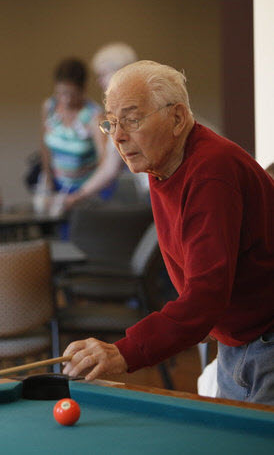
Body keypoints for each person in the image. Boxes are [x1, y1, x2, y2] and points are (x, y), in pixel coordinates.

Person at [62, 60, 274, 405]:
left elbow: (206, 294)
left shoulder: (211, 171)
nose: (118, 135)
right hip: (241, 338)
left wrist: (123, 352)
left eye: (131, 119)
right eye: (111, 122)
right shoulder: (161, 162)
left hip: (264, 339)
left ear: (176, 118)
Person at [65, 43, 149, 209]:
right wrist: (77, 196)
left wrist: (77, 196)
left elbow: (109, 168)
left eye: (102, 74)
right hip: (153, 193)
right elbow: (109, 168)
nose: (99, 81)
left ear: (121, 72)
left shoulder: (142, 106)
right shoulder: (120, 111)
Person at [41, 58, 106, 197]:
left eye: (72, 94)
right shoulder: (50, 107)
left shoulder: (93, 115)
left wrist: (84, 193)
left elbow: (104, 160)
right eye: (61, 93)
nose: (66, 99)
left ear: (83, 90)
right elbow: (45, 145)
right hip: (58, 184)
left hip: (87, 189)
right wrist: (48, 177)